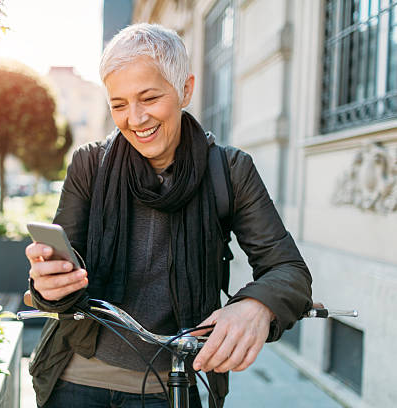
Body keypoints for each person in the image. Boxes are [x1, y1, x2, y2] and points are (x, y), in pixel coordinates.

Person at [25, 23, 312, 408]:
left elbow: (289, 270)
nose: (136, 118)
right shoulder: (89, 165)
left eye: (149, 97)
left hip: (171, 385)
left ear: (186, 90)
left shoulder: (230, 170)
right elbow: (61, 278)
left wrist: (256, 306)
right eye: (119, 104)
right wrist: (48, 283)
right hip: (74, 377)